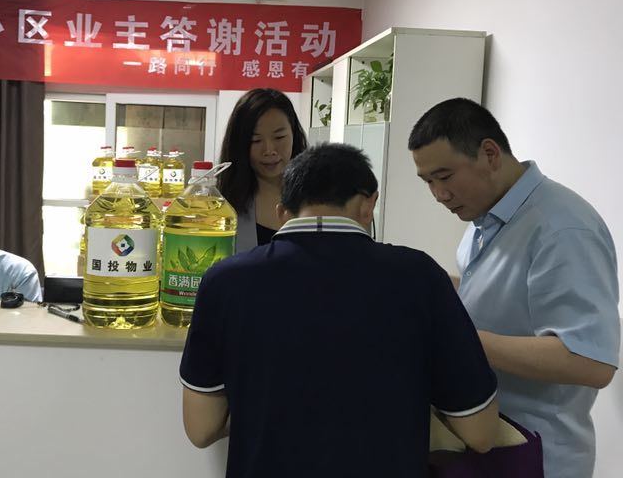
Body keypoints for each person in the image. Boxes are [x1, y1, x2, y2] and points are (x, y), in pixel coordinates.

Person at [180, 143, 499, 477]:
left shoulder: (225, 281)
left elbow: (201, 429)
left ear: (282, 213)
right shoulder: (421, 277)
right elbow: (480, 433)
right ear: (368, 204)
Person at [408, 97, 619, 478]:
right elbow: (504, 293)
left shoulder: (562, 228)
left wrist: (457, 338)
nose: (439, 194)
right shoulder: (488, 215)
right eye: (428, 182)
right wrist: (426, 286)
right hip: (488, 439)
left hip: (536, 453)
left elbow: (591, 362)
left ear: (489, 153)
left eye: (445, 176)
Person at [218, 88, 308, 253]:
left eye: (279, 137)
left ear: (294, 134)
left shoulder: (318, 196)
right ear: (239, 144)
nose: (269, 150)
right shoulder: (223, 203)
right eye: (256, 140)